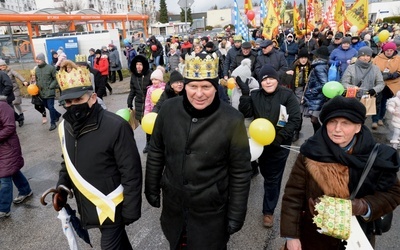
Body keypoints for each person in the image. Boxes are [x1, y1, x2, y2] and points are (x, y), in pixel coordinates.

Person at [145, 53, 252, 249]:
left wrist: (236, 213)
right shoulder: (168, 110)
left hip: (211, 212)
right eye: (193, 86)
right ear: (184, 86)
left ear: (215, 87)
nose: (199, 93)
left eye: (206, 86)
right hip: (174, 207)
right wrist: (151, 186)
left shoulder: (232, 120)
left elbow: (240, 172)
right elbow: (157, 151)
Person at [280, 95, 400, 250]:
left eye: (346, 123)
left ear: (358, 127)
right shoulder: (310, 152)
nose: (337, 129)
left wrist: (362, 206)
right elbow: (293, 195)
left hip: (355, 237)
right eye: (332, 122)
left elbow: (394, 193)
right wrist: (291, 236)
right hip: (313, 236)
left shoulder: (375, 155)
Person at [50, 66, 142, 249]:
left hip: (111, 205)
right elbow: (67, 161)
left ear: (92, 98)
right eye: (68, 102)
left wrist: (132, 208)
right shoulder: (65, 127)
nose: (73, 105)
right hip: (88, 202)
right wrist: (62, 186)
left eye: (79, 99)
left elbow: (131, 171)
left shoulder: (116, 126)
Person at [238, 64, 301, 228]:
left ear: (277, 80)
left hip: (278, 144)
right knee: (264, 171)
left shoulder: (287, 95)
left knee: (273, 179)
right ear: (260, 82)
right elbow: (246, 113)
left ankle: (268, 212)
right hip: (258, 142)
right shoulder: (255, 95)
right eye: (264, 79)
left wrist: (280, 137)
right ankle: (256, 170)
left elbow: (295, 119)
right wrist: (245, 95)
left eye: (271, 78)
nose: (268, 82)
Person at [0, 98, 32, 218]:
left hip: (7, 147)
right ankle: (25, 190)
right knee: (11, 170)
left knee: (4, 177)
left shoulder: (2, 106)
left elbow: (9, 127)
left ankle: (3, 208)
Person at [341, 46, 385, 130]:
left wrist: (374, 90)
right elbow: (344, 83)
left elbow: (381, 83)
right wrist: (353, 87)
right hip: (353, 98)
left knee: (361, 120)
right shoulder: (351, 68)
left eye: (368, 56)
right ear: (359, 56)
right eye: (363, 55)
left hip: (367, 99)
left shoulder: (375, 69)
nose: (366, 58)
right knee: (352, 118)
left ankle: (358, 135)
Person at [284, 48, 311, 142]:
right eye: (301, 58)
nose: (303, 60)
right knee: (293, 113)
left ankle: (296, 131)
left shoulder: (311, 68)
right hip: (294, 91)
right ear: (298, 59)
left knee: (299, 114)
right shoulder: (293, 67)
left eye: (305, 58)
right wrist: (287, 74)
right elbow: (286, 81)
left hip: (305, 93)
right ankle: (292, 130)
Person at [303, 46, 330, 134]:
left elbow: (324, 83)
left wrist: (312, 91)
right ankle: (317, 136)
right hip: (317, 97)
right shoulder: (321, 66)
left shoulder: (319, 67)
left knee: (314, 119)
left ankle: (319, 137)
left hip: (317, 97)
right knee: (313, 119)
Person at [372, 41, 400, 126]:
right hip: (379, 82)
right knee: (377, 101)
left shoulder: (398, 59)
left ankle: (381, 118)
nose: (389, 52)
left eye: (391, 50)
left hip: (391, 84)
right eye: (387, 50)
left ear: (394, 51)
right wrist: (380, 74)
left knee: (385, 102)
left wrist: (393, 75)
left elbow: (399, 71)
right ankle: (375, 120)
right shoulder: (377, 58)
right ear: (384, 50)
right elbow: (373, 68)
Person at [34, 53, 61, 131]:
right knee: (47, 106)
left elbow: (56, 78)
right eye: (37, 59)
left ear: (43, 60)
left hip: (49, 91)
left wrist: (51, 86)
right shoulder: (37, 69)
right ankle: (57, 114)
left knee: (51, 107)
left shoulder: (50, 68)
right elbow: (37, 79)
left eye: (39, 60)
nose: (37, 61)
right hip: (41, 92)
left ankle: (53, 123)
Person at [0, 59, 27, 127]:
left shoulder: (10, 70)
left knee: (15, 102)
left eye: (4, 65)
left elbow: (18, 75)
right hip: (6, 91)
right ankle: (17, 118)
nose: (2, 67)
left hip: (14, 89)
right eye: (1, 66)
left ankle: (20, 114)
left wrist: (24, 81)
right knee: (10, 108)